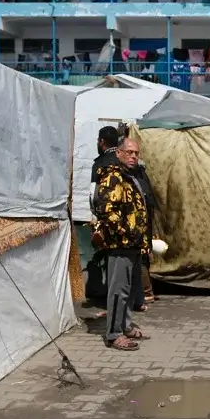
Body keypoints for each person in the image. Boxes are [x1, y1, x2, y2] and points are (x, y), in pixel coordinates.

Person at [91, 136, 149, 351]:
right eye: (129, 152)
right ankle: (114, 334)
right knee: (118, 290)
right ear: (119, 153)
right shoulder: (113, 177)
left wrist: (140, 239)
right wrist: (125, 233)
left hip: (132, 244)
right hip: (120, 244)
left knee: (127, 290)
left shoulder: (129, 177)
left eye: (136, 153)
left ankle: (124, 326)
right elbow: (105, 210)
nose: (133, 156)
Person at [85, 126, 123, 314]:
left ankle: (112, 302)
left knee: (111, 260)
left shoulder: (99, 164)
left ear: (101, 142)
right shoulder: (125, 160)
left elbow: (93, 195)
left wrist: (97, 217)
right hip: (128, 221)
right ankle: (131, 300)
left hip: (108, 220)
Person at [131, 152, 159, 312]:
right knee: (143, 256)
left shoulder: (137, 179)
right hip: (145, 221)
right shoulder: (143, 177)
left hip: (140, 223)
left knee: (140, 258)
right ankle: (146, 293)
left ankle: (146, 293)